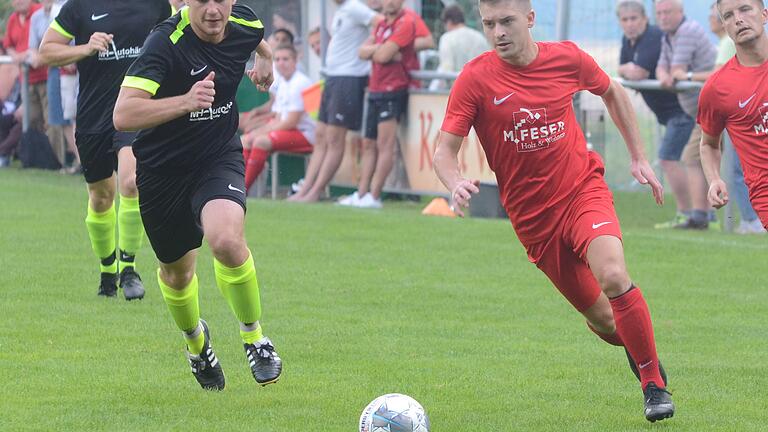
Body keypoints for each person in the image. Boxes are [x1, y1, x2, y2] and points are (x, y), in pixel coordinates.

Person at [434, 0, 674, 422]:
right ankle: (639, 351)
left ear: (529, 19)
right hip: (534, 224)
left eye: (507, 21)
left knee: (614, 275)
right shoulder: (474, 79)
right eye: (489, 24)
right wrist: (454, 183)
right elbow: (444, 151)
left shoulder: (567, 58)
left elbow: (613, 92)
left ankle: (653, 384)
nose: (498, 32)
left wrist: (638, 157)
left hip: (583, 191)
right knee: (606, 321)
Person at [113, 0, 282, 391]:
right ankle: (196, 344)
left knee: (225, 238)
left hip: (216, 155)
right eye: (202, 0)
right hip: (162, 171)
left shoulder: (243, 19)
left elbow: (258, 39)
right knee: (177, 274)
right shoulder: (165, 43)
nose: (212, 9)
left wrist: (267, 60)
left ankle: (255, 338)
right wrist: (186, 102)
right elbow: (123, 114)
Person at [39, 0, 172, 300]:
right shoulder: (79, 7)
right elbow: (46, 52)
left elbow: (178, 35)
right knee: (101, 198)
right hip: (93, 116)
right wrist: (83, 48)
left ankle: (129, 267)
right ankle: (107, 270)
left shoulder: (157, 5)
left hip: (135, 111)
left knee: (131, 182)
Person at [289, 0, 382, 203]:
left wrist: (371, 45)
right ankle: (305, 190)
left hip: (348, 79)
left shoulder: (356, 7)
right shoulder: (342, 10)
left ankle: (315, 192)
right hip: (333, 77)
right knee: (321, 135)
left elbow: (381, 23)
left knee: (334, 138)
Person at [616, 0, 696, 230]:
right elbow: (624, 67)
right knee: (691, 161)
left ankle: (688, 214)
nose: (630, 24)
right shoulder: (627, 40)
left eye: (634, 19)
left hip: (683, 111)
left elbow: (637, 72)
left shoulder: (652, 36)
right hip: (669, 115)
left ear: (645, 19)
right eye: (625, 20)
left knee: (669, 159)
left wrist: (628, 70)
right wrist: (625, 69)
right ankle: (699, 214)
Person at [699, 0, 768, 231]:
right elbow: (708, 144)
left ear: (764, 15)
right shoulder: (717, 88)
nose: (738, 19)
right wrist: (714, 179)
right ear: (725, 27)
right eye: (728, 15)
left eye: (745, 9)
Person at [345, 0, 416, 209]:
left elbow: (383, 56)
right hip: (375, 89)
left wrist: (377, 51)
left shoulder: (406, 22)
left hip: (393, 90)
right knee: (368, 144)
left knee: (385, 145)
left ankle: (374, 196)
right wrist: (380, 49)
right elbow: (361, 52)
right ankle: (361, 194)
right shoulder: (381, 24)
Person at [655, 0, 718, 229]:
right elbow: (664, 69)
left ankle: (703, 216)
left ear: (680, 12)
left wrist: (680, 75)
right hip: (700, 112)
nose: (662, 17)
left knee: (691, 158)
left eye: (667, 12)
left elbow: (676, 70)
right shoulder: (668, 36)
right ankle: (703, 216)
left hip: (713, 110)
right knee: (693, 158)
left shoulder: (687, 31)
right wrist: (665, 75)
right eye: (659, 13)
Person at [242, 44, 316, 192]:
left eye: (286, 59)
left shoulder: (300, 82)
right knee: (245, 139)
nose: (281, 63)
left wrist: (260, 132)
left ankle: (244, 190)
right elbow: (278, 117)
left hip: (306, 134)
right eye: (277, 59)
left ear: (295, 62)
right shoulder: (283, 81)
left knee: (260, 140)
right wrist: (258, 128)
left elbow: (291, 122)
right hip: (291, 130)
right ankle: (236, 187)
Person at [4, 0, 48, 135]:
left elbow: (49, 42)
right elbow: (8, 44)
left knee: (52, 123)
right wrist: (15, 55)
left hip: (46, 76)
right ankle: (36, 155)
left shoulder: (41, 12)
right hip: (27, 79)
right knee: (31, 121)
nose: (19, 1)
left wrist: (24, 55)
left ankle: (57, 156)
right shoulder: (13, 19)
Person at [436, 5, 488, 74]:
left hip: (457, 83)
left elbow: (446, 69)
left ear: (449, 22)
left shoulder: (446, 38)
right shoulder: (480, 37)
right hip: (479, 83)